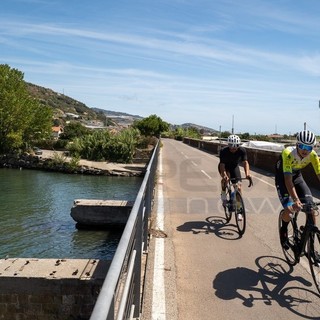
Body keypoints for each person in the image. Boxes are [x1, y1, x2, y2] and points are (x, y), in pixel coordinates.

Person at [275, 130, 320, 249]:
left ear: (312, 147)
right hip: (283, 177)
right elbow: (288, 180)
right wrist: (295, 199)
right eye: (302, 146)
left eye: (308, 147)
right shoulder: (288, 153)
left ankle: (310, 241)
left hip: (297, 176)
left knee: (310, 208)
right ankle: (283, 231)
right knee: (290, 211)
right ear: (296, 145)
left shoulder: (313, 155)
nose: (305, 150)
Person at [218, 134, 251, 220]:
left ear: (238, 146)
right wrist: (224, 175)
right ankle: (223, 194)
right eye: (231, 147)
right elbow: (222, 166)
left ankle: (239, 210)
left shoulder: (242, 150)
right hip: (225, 167)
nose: (233, 149)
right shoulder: (223, 151)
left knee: (239, 187)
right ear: (228, 145)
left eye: (235, 147)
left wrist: (247, 174)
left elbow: (245, 163)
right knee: (226, 178)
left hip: (234, 167)